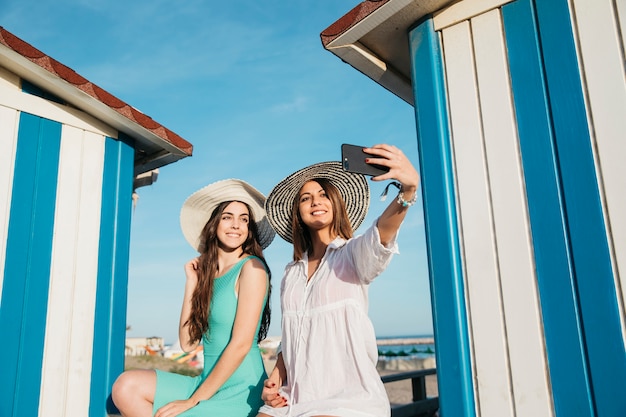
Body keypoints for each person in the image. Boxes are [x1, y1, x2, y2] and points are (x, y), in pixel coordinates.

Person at [257, 144, 420, 417]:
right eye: (305, 198)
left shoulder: (353, 254)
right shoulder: (291, 272)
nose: (315, 201)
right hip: (293, 398)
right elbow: (293, 332)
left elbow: (382, 232)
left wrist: (407, 192)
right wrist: (276, 378)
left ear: (336, 204)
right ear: (298, 212)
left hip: (348, 399)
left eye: (323, 194)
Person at [112, 179, 275, 417]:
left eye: (244, 219)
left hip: (241, 388)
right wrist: (192, 282)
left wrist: (193, 401)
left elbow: (240, 345)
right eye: (227, 216)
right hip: (207, 380)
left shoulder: (252, 269)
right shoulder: (207, 274)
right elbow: (188, 343)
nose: (236, 225)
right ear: (214, 223)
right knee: (126, 387)